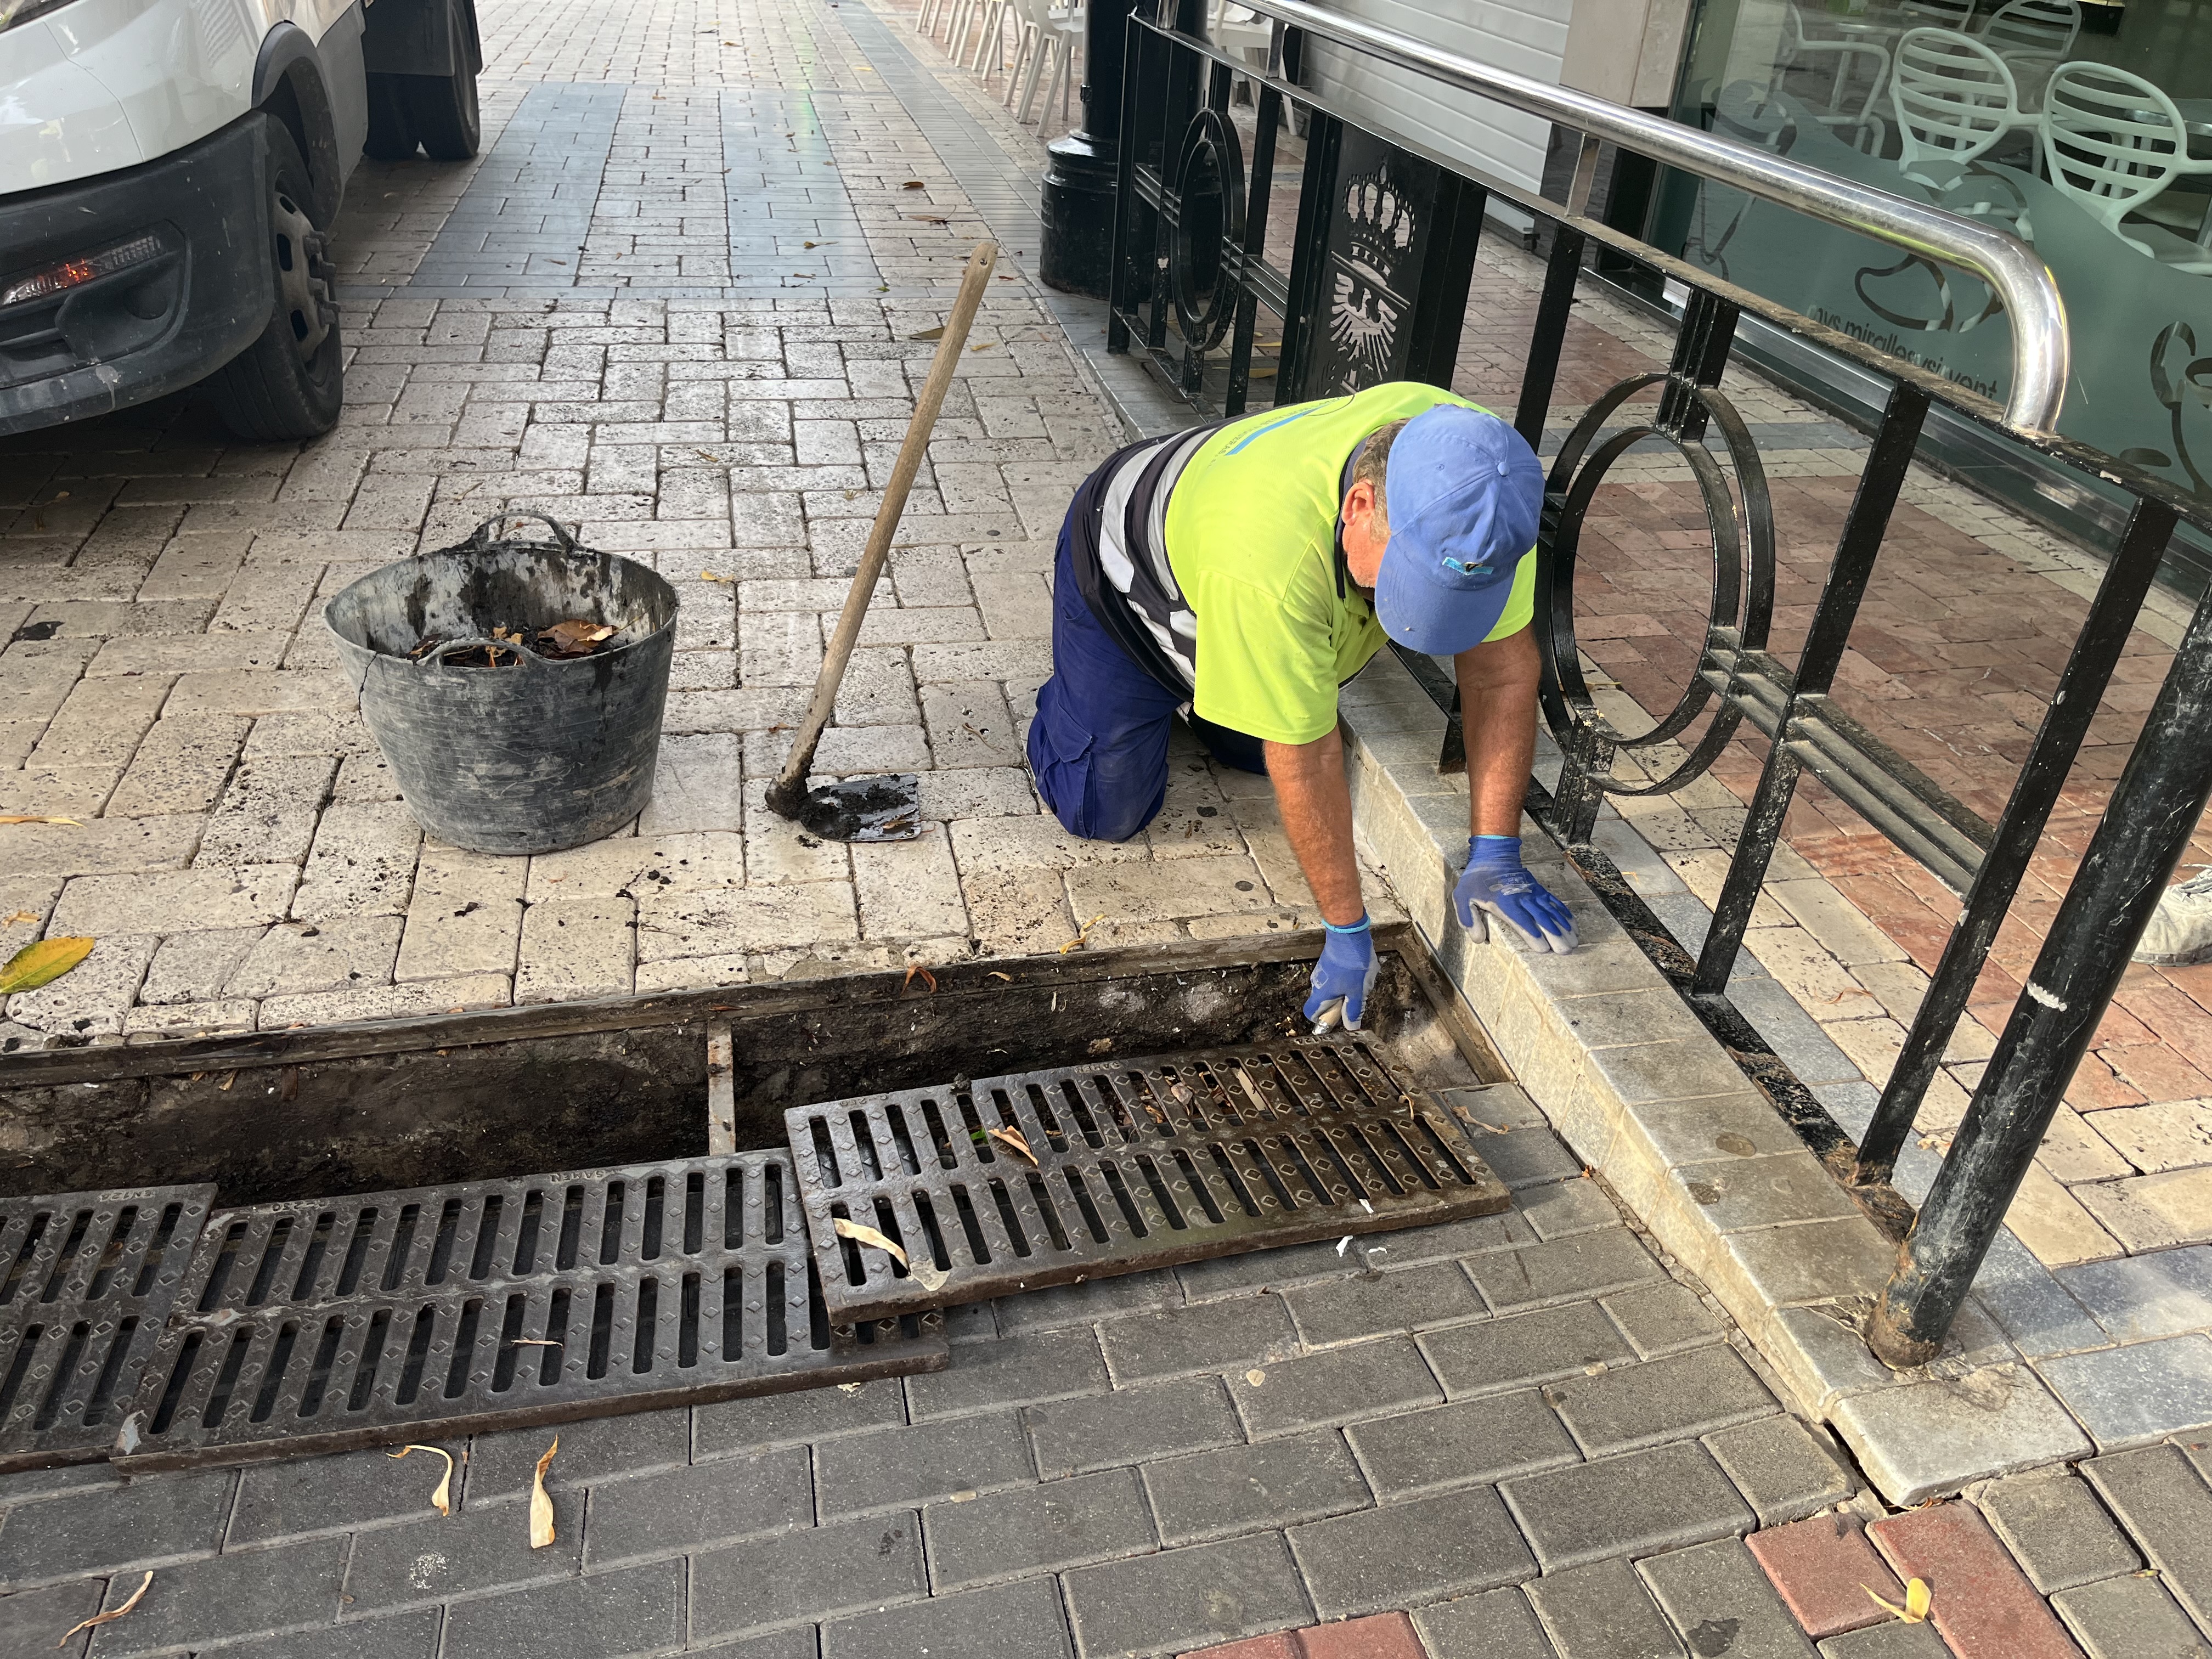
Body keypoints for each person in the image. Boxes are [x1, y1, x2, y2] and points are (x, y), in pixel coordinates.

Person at [1025, 381, 1579, 1032]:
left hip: (1236, 569)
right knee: (1104, 807)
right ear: (1359, 504)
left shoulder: (1486, 484)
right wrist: (1346, 927)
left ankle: (1223, 686)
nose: (1400, 616)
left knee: (1257, 749)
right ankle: (1073, 716)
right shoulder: (1270, 562)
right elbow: (1308, 755)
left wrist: (1496, 851)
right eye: (1401, 585)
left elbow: (1501, 678)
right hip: (1128, 574)